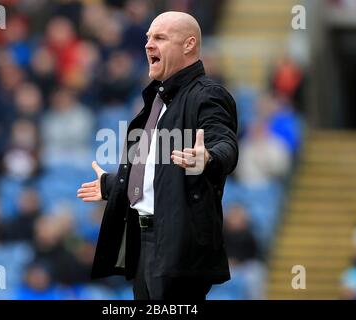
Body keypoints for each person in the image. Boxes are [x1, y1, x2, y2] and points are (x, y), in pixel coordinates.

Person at [77, 11, 238, 300]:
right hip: (144, 242)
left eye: (160, 38)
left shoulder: (207, 94)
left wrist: (209, 158)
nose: (149, 44)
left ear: (189, 45)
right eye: (148, 37)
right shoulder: (158, 99)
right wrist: (112, 185)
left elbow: (225, 143)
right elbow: (154, 172)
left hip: (179, 247)